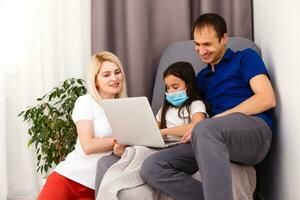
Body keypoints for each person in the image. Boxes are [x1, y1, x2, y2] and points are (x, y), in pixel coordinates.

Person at [140, 13, 276, 200]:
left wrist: (220, 118)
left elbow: (267, 98)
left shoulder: (245, 58)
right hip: (212, 137)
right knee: (152, 167)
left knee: (205, 128)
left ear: (224, 39)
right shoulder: (201, 78)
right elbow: (192, 115)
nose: (201, 50)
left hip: (254, 131)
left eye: (207, 44)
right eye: (197, 44)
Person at [94, 61, 208, 195]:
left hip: (186, 146)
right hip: (165, 147)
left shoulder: (196, 105)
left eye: (175, 86)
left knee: (151, 164)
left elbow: (197, 126)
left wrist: (164, 132)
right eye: (168, 88)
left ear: (188, 86)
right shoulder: (164, 110)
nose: (170, 91)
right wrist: (126, 144)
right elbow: (150, 132)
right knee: (135, 152)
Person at [38, 51, 128, 200]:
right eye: (106, 75)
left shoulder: (126, 107)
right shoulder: (86, 102)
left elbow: (131, 143)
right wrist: (121, 139)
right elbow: (88, 146)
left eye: (117, 72)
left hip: (99, 184)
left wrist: (121, 147)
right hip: (69, 178)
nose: (114, 78)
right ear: (95, 80)